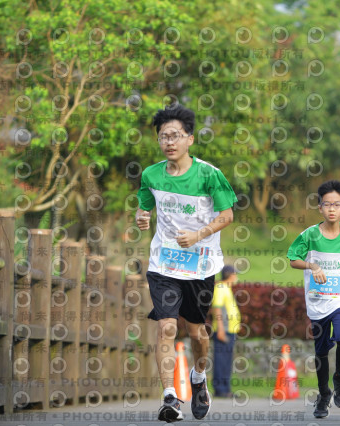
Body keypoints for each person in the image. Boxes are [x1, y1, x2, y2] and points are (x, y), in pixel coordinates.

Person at [135, 104, 237, 423]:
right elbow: (145, 206)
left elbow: (227, 215)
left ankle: (198, 376)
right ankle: (169, 396)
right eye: (164, 136)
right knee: (166, 327)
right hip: (164, 264)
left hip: (201, 266)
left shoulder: (210, 174)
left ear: (190, 139)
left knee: (197, 334)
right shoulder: (151, 174)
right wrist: (141, 216)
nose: (169, 142)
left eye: (176, 136)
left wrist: (199, 234)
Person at [286, 179, 340, 419]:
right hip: (317, 301)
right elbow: (292, 259)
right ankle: (323, 394)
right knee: (320, 352)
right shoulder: (309, 235)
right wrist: (311, 265)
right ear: (319, 208)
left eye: (337, 204)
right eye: (327, 204)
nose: (332, 209)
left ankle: (339, 378)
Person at [211, 265, 241, 398]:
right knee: (221, 360)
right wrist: (221, 329)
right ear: (230, 275)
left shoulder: (226, 288)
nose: (236, 277)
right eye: (235, 274)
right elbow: (217, 309)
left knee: (226, 361)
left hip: (229, 330)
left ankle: (225, 389)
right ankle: (221, 389)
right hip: (223, 330)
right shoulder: (221, 288)